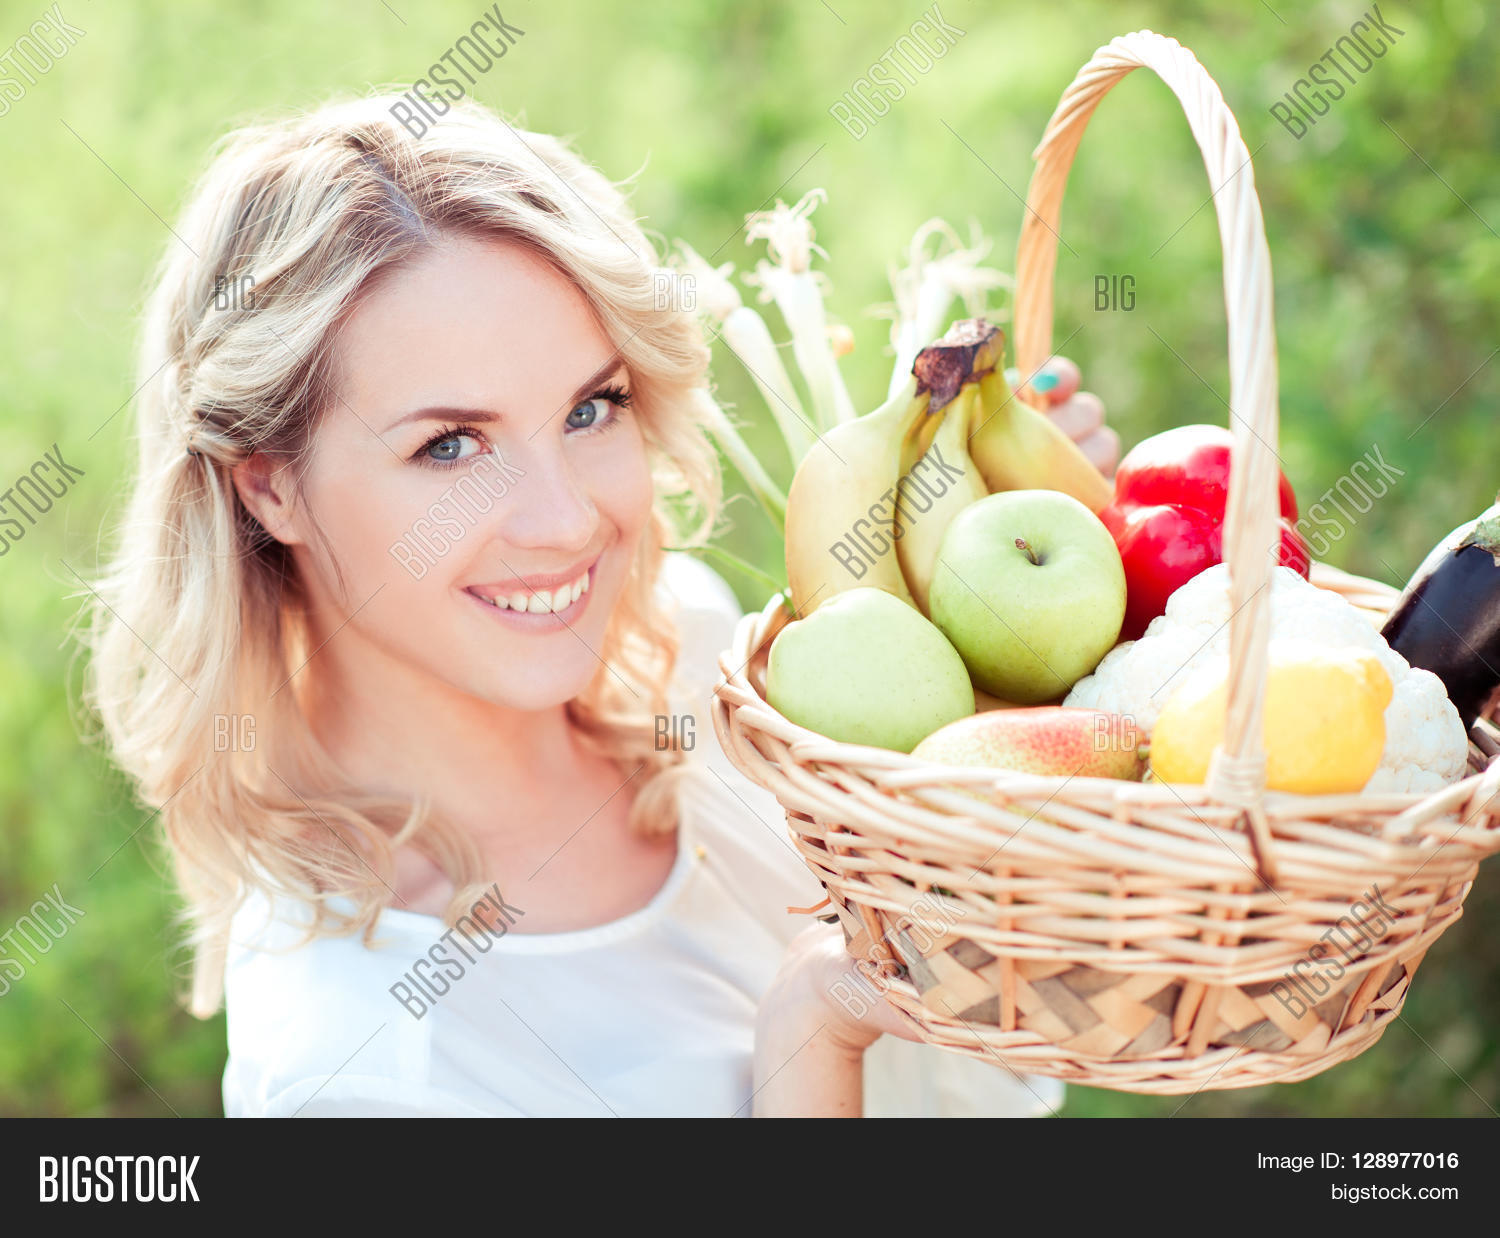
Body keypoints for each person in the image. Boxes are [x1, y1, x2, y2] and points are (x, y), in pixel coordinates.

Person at [82, 93, 1118, 1117]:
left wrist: (1046, 601)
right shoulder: (357, 1069)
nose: (567, 520)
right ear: (271, 486)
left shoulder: (699, 655)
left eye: (591, 407)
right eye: (449, 444)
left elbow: (1018, 1013)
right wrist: (815, 1027)